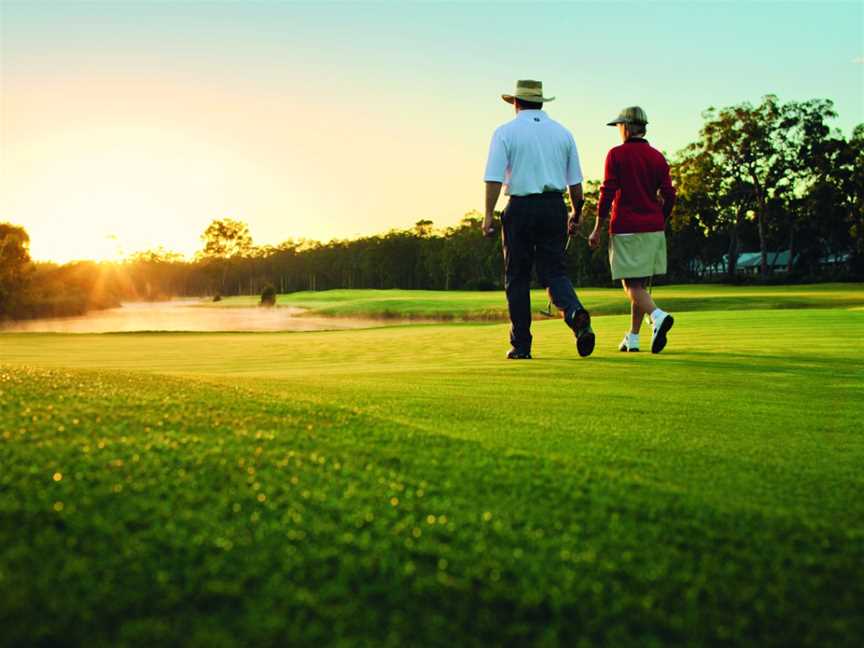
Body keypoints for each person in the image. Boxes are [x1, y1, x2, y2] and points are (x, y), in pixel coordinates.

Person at [483, 79, 594, 360]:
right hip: (554, 207)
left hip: (520, 207)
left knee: (517, 277)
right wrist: (576, 214)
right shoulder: (563, 133)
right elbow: (576, 184)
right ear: (541, 102)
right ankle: (573, 312)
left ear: (516, 103)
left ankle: (521, 346)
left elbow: (494, 177)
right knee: (553, 273)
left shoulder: (505, 132)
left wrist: (487, 215)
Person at [588, 106, 676, 353]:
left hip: (626, 227)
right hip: (652, 228)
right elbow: (669, 194)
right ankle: (633, 338)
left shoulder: (616, 155)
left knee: (631, 286)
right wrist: (662, 217)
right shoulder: (657, 157)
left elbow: (607, 193)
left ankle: (657, 316)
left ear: (626, 126)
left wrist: (596, 228)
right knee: (639, 283)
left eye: (619, 126)